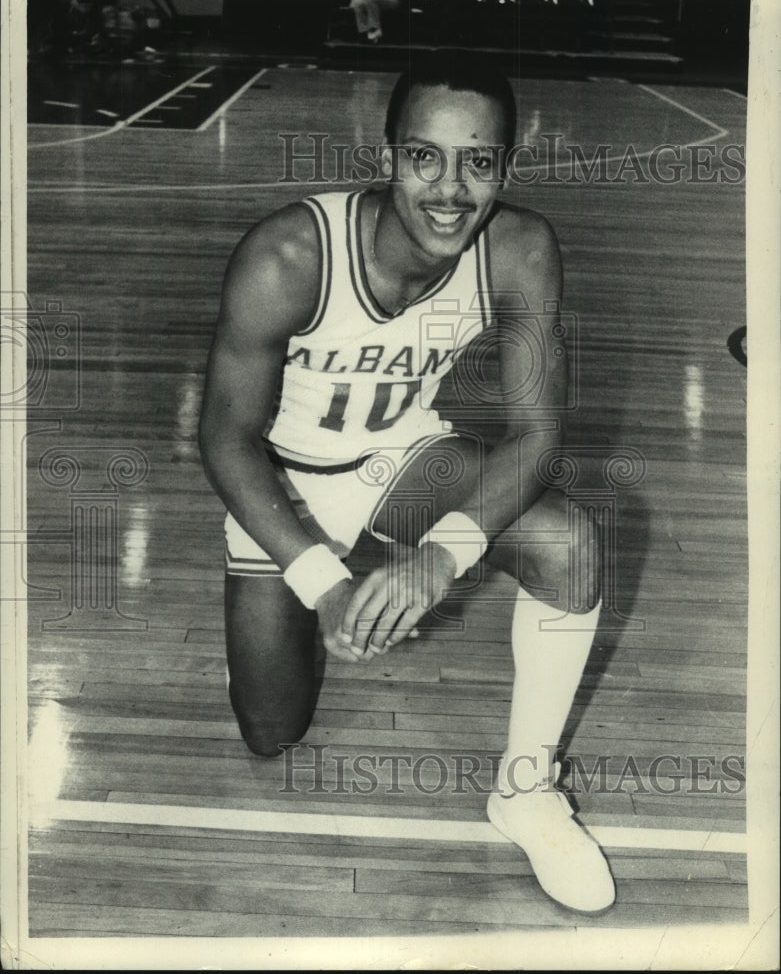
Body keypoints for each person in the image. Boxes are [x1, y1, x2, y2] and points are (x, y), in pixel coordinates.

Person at [199, 50, 616, 914]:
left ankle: (526, 791)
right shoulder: (287, 253)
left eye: (478, 161)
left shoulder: (520, 247)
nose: (450, 189)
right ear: (386, 154)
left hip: (399, 458)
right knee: (272, 733)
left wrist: (440, 559)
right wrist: (320, 583)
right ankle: (280, 608)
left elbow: (539, 433)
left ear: (506, 164)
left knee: (569, 543)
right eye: (425, 156)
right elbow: (227, 440)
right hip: (285, 484)